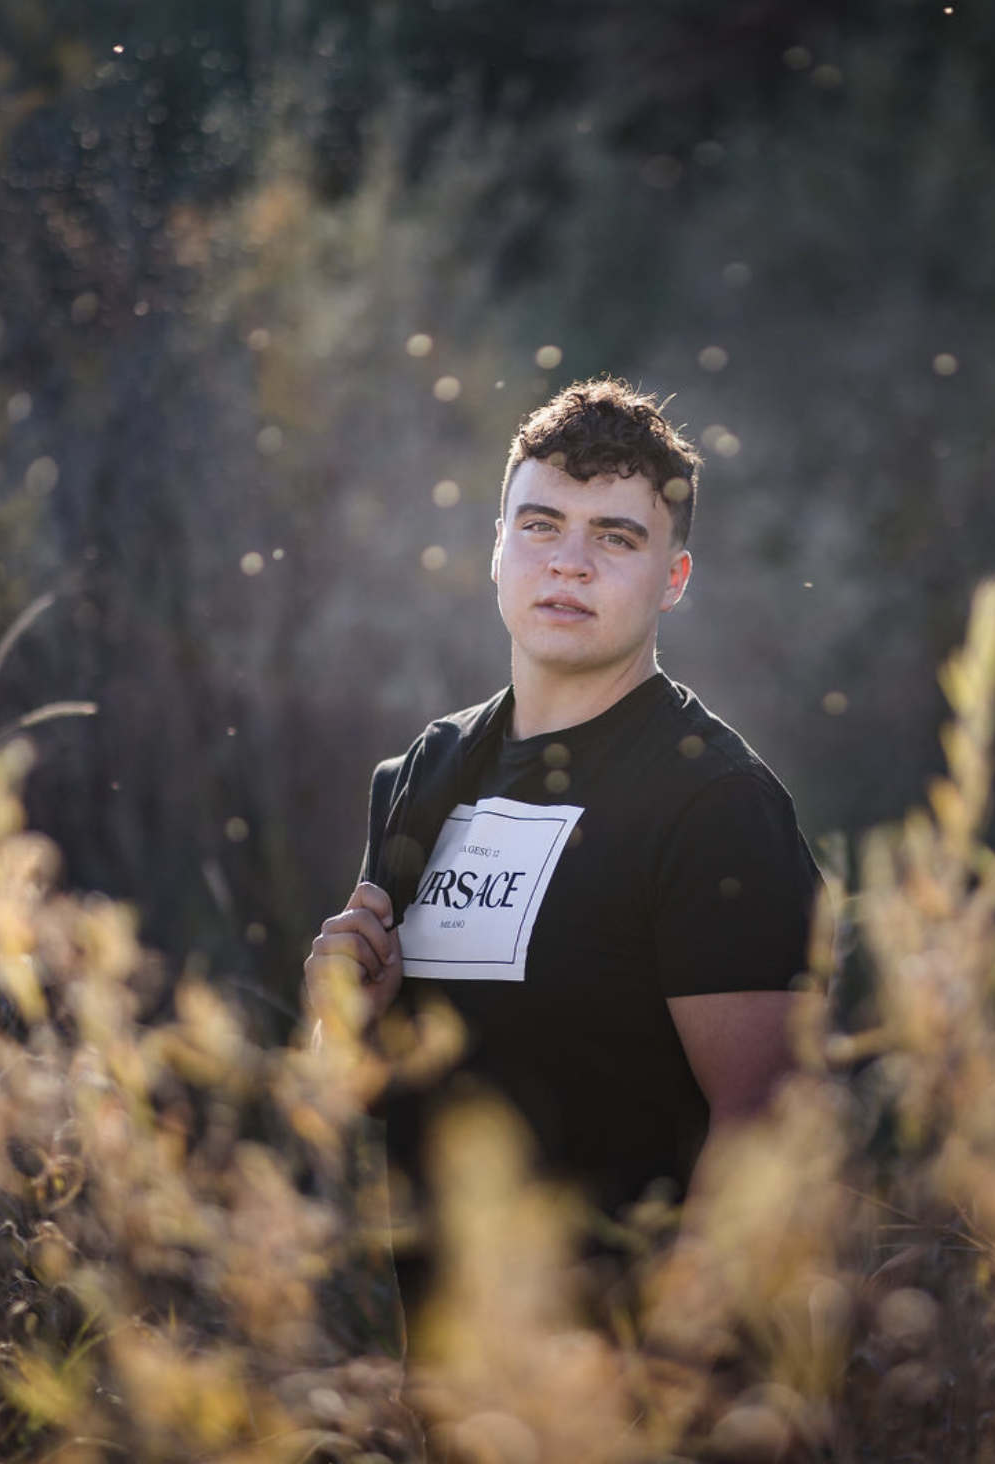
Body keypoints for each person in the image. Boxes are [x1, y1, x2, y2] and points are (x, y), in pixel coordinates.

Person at [304, 376, 822, 1322]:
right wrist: (346, 1020)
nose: (569, 564)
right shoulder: (427, 772)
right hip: (456, 1378)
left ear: (674, 578)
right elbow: (371, 1089)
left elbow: (766, 1132)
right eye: (540, 526)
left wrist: (671, 1378)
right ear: (496, 550)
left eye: (616, 537)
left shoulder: (715, 804)